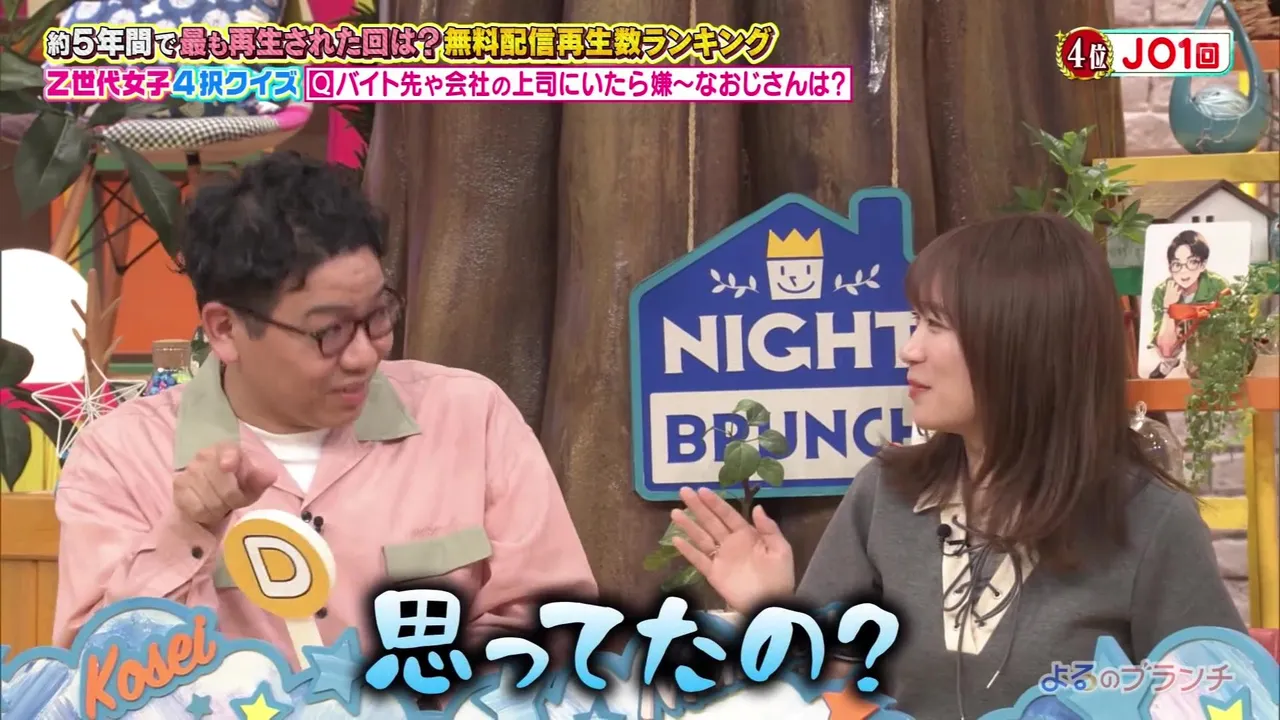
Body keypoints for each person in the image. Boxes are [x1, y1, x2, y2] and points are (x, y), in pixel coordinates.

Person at [669, 214, 1245, 719]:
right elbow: (824, 691)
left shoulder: (1151, 521)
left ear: (1022, 342)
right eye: (915, 321)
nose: (909, 349)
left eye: (936, 324)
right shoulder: (885, 495)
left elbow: (1223, 698)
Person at [51, 152, 597, 666]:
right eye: (329, 331)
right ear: (225, 329)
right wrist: (188, 530)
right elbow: (93, 678)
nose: (364, 355)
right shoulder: (121, 457)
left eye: (377, 316)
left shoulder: (470, 416)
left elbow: (554, 624)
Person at [1148, 229, 1228, 379]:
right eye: (1177, 264)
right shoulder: (1162, 291)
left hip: (1209, 354)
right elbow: (1166, 350)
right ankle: (1170, 365)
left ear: (1203, 265)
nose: (1184, 272)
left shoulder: (1217, 285)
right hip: (1175, 352)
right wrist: (1168, 308)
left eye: (1192, 262)